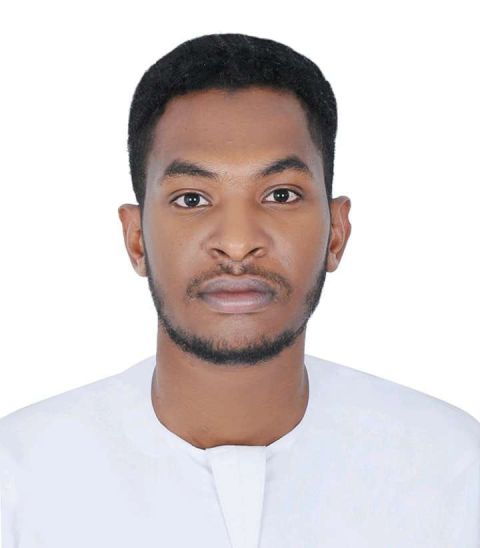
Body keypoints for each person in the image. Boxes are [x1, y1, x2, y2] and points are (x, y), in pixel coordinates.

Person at [0, 33, 479, 548]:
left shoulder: (450, 468)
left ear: (336, 234)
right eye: (191, 199)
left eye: (281, 194)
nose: (236, 242)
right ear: (136, 239)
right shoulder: (19, 479)